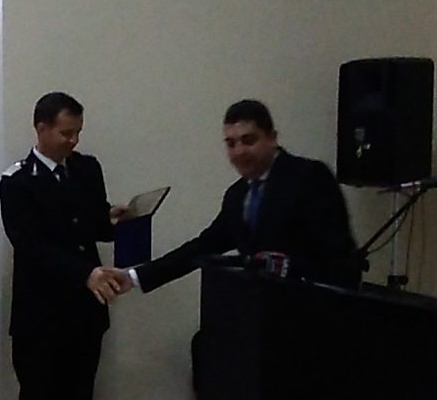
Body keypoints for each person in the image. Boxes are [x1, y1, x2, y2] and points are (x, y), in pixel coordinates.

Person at [0, 92, 121, 400]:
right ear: (42, 129)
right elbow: (30, 245)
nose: (73, 141)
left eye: (77, 133)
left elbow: (93, 224)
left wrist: (116, 218)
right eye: (66, 133)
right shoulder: (17, 181)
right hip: (40, 315)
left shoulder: (86, 169)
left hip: (85, 312)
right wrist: (84, 272)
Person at [104, 99, 359, 294]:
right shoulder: (237, 195)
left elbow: (337, 258)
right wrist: (135, 276)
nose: (239, 152)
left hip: (309, 312)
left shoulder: (308, 177)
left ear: (272, 138)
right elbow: (204, 246)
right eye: (231, 143)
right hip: (260, 313)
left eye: (248, 140)